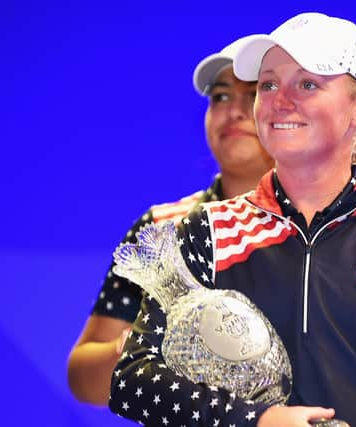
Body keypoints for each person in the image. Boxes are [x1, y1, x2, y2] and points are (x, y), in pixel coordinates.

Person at [108, 12, 356, 427]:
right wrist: (256, 421)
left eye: (308, 84)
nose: (281, 98)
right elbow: (131, 382)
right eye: (268, 84)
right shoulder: (207, 228)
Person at [67, 36, 274, 405]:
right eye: (221, 97)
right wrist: (141, 346)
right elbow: (83, 378)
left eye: (254, 95)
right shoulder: (164, 226)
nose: (234, 112)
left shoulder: (323, 224)